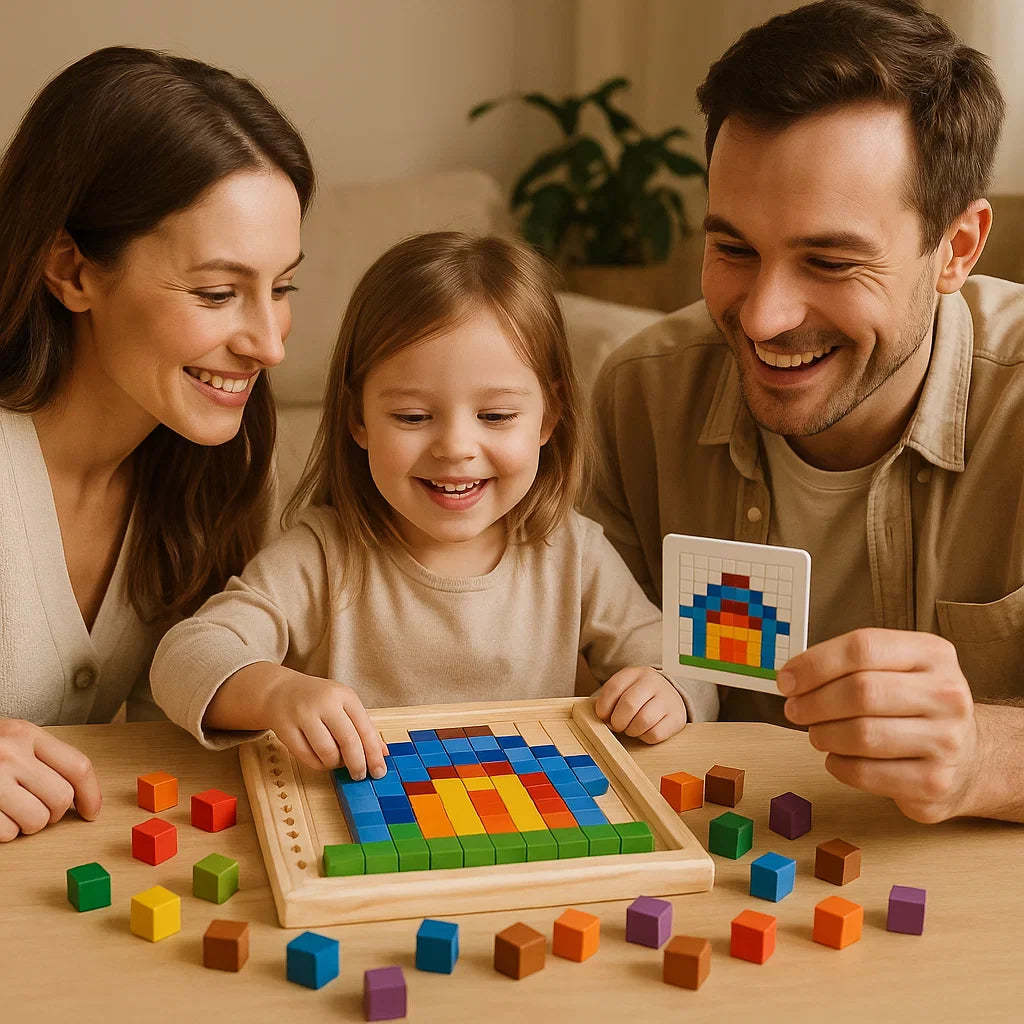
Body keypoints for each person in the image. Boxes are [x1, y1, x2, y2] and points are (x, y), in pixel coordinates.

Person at [589, 0, 1024, 824]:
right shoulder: (640, 396)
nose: (762, 318)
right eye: (733, 250)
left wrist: (986, 761)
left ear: (957, 250)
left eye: (829, 260)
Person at [150, 232, 717, 779]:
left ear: (548, 418)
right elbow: (185, 658)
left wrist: (665, 687)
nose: (454, 449)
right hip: (372, 837)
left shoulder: (573, 553)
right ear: (358, 419)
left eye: (495, 417)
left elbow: (689, 667)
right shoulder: (322, 555)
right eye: (413, 417)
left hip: (532, 829)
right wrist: (274, 691)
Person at [0, 46, 315, 841]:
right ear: (72, 271)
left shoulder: (225, 467)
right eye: (217, 293)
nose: (269, 345)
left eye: (281, 290)